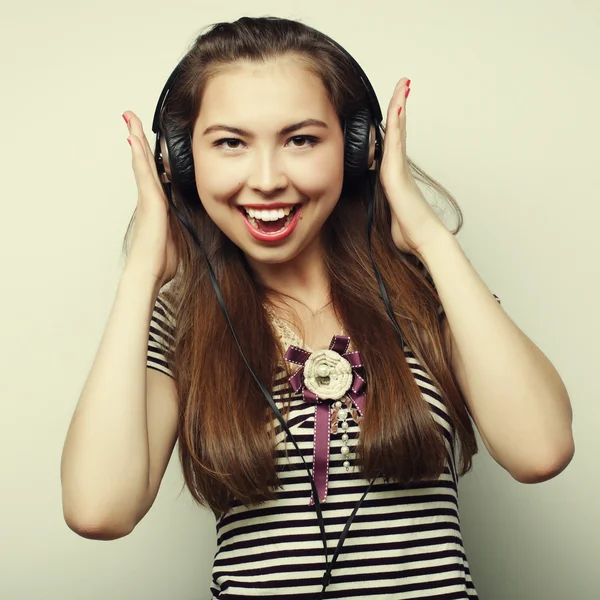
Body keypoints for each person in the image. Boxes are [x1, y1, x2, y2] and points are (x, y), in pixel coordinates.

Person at [60, 16, 574, 599]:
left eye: (301, 140)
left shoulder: (429, 291)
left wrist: (429, 236)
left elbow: (541, 449)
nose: (268, 179)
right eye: (230, 143)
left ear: (359, 149)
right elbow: (99, 510)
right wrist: (141, 271)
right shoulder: (179, 320)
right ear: (179, 161)